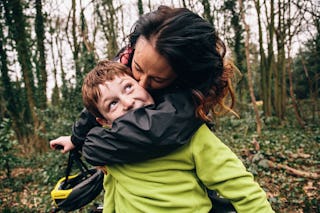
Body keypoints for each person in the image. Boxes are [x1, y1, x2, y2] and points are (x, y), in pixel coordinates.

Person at [50, 5, 273, 212]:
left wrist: (96, 144)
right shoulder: (124, 65)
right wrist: (77, 138)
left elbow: (243, 189)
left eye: (157, 79)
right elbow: (113, 191)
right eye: (137, 70)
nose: (141, 86)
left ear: (179, 80)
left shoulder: (191, 127)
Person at [81, 59, 273, 213]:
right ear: (104, 121)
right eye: (112, 104)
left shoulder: (191, 133)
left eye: (128, 87)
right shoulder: (111, 151)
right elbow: (113, 196)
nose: (128, 102)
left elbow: (240, 186)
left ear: (143, 84)